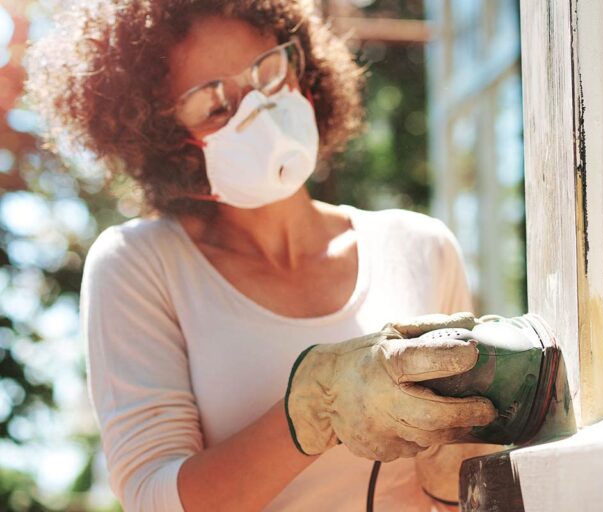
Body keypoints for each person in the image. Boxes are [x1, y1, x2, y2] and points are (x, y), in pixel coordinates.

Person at [26, 1, 501, 510]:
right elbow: (152, 497)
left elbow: (454, 494)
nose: (258, 109)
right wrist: (310, 409)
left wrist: (456, 469)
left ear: (303, 67)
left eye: (268, 72)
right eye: (215, 106)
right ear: (170, 145)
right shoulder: (139, 264)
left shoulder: (422, 246)